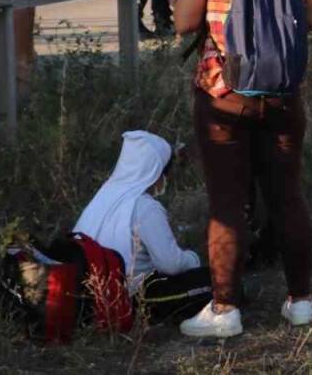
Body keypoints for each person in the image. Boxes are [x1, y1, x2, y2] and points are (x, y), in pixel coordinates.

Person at [173, 0, 312, 338]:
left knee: (227, 203)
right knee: (287, 198)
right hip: (282, 97)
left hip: (225, 97)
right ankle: (299, 301)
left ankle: (225, 309)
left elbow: (183, 23)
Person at [74, 130, 212, 324]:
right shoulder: (144, 206)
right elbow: (171, 265)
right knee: (215, 280)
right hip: (127, 300)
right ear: (154, 171)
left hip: (89, 300)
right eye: (164, 172)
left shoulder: (103, 195)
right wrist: (193, 259)